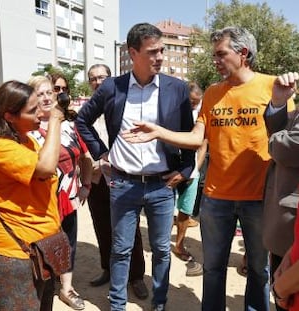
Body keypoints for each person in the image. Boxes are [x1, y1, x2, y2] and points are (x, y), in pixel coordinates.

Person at [121, 26, 296, 311]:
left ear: (243, 53)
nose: (214, 60)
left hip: (260, 199)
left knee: (258, 271)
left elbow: (289, 143)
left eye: (220, 54)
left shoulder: (274, 87)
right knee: (213, 270)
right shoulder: (213, 93)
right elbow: (195, 138)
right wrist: (158, 132)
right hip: (216, 199)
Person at [76, 23, 195, 311]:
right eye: (153, 51)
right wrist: (102, 154)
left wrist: (186, 169)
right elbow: (82, 120)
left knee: (162, 250)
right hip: (124, 183)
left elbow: (190, 135)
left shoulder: (176, 88)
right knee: (121, 249)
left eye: (162, 50)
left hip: (161, 185)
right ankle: (117, 304)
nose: (160, 57)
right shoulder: (112, 87)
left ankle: (160, 303)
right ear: (133, 53)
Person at [0, 80, 65, 311]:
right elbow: (46, 168)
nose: (42, 112)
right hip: (15, 252)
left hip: (40, 245)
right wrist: (56, 120)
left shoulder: (27, 140)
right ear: (9, 116)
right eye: (32, 110)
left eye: (41, 106)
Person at [28, 75, 92, 310]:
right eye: (39, 93)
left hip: (68, 197)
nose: (45, 97)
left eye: (49, 92)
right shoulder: (26, 128)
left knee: (68, 244)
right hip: (40, 202)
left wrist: (86, 185)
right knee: (41, 249)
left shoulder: (70, 125)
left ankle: (66, 288)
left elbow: (85, 156)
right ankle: (43, 290)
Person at [86, 64, 148, 299]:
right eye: (93, 78)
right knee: (102, 225)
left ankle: (137, 276)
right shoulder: (86, 110)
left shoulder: (126, 104)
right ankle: (108, 269)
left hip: (124, 177)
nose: (97, 82)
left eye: (102, 77)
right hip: (96, 177)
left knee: (130, 231)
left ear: (110, 79)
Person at [263, 71, 299, 311]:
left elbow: (289, 148)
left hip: (293, 223)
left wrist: (273, 141)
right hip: (287, 225)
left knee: (286, 294)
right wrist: (278, 103)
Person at [172, 82, 207, 277]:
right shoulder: (171, 114)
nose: (194, 106)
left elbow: (203, 146)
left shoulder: (200, 117)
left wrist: (194, 169)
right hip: (169, 172)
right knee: (166, 210)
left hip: (191, 174)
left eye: (197, 102)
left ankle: (179, 244)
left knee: (185, 212)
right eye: (192, 102)